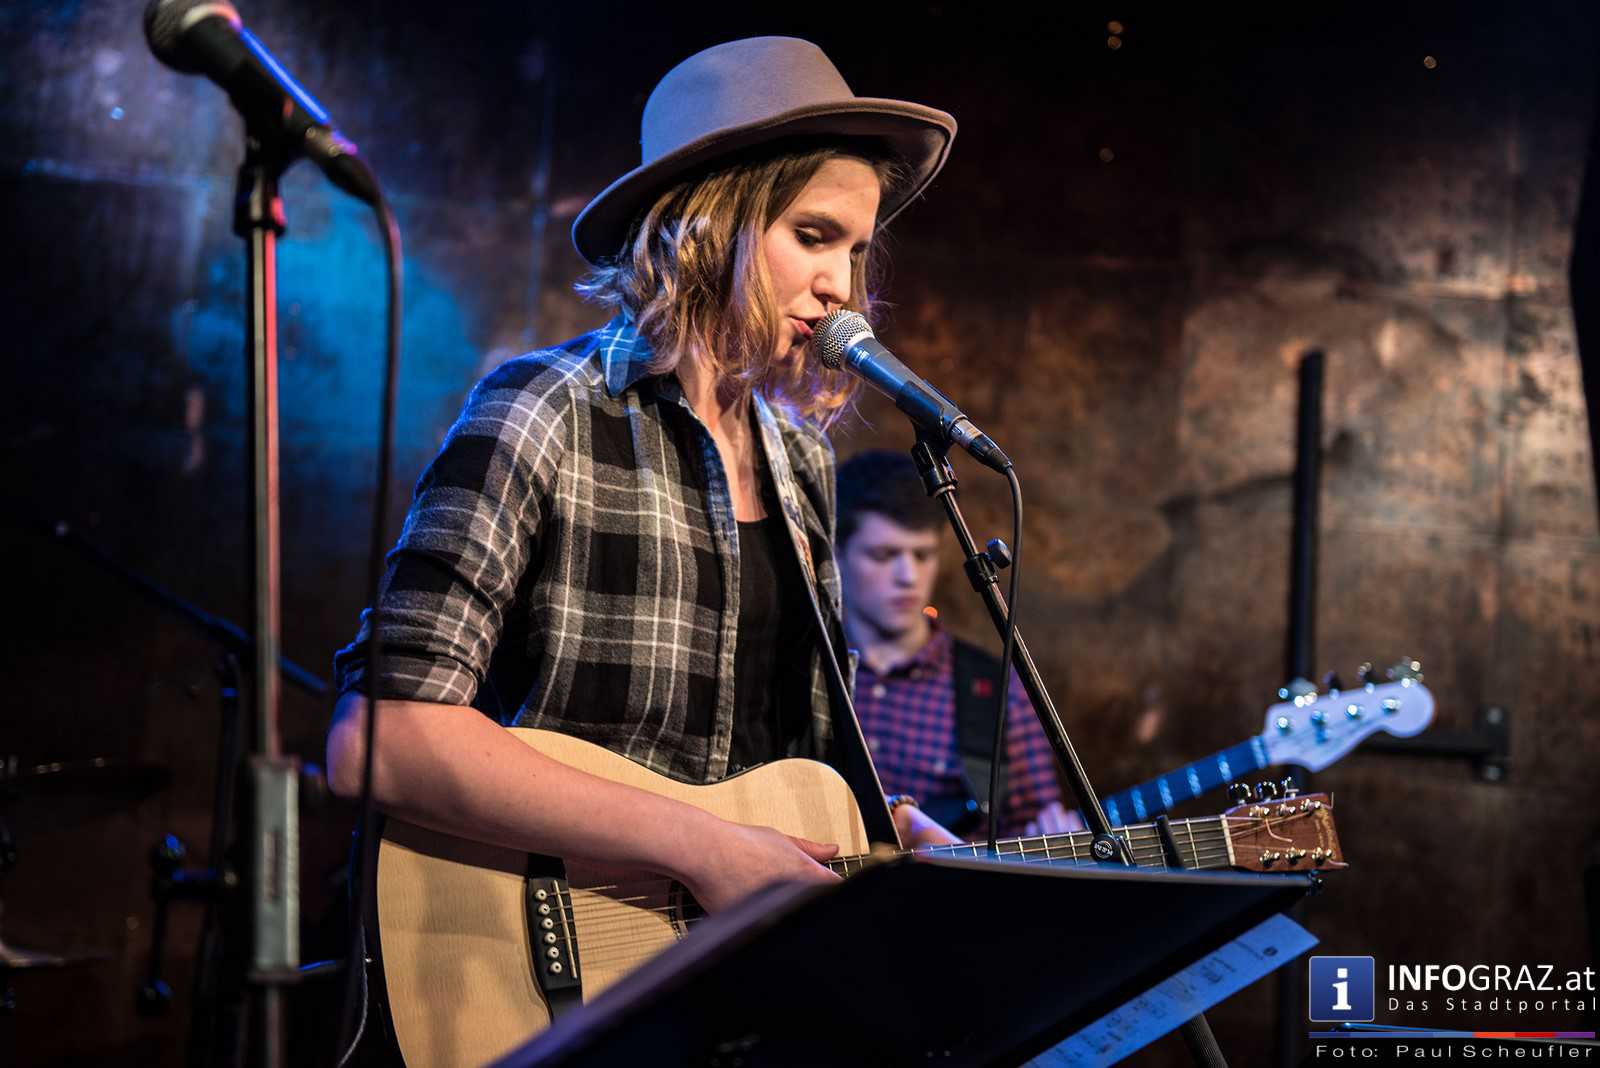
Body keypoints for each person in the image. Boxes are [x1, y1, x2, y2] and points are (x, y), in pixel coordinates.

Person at [324, 36, 963, 920]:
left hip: (731, 976)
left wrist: (888, 827)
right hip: (543, 954)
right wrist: (700, 846)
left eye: (855, 251)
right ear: (707, 226)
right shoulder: (545, 410)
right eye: (813, 237)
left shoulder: (803, 463)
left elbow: (766, 763)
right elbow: (382, 740)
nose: (840, 287)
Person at [837, 450, 1082, 839]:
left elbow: (1031, 829)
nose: (908, 576)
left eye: (922, 555)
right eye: (884, 555)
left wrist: (1054, 836)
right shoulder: (807, 667)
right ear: (836, 552)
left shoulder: (993, 689)